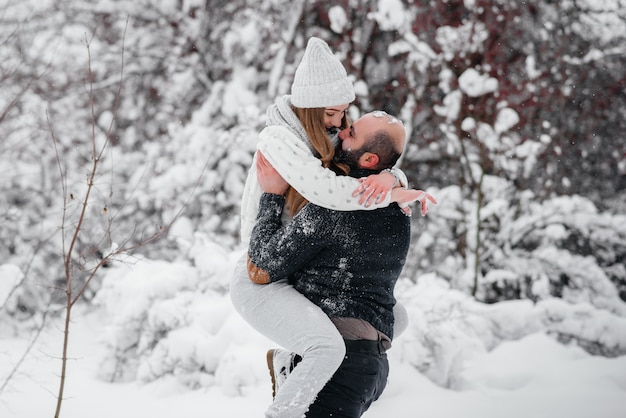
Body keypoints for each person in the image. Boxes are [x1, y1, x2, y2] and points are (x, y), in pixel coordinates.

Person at [230, 37, 433, 418]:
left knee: (395, 317)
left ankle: (294, 362)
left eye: (346, 119)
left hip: (294, 261)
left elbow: (365, 169)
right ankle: (284, 408)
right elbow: (329, 193)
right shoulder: (281, 139)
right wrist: (272, 197)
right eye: (335, 116)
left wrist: (392, 180)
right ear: (310, 108)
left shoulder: (325, 142)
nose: (340, 126)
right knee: (328, 347)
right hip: (261, 269)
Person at [249, 110, 419, 417]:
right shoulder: (398, 211)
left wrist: (272, 197)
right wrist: (392, 177)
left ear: (369, 160)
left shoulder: (334, 210)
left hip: (339, 369)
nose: (341, 133)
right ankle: (290, 364)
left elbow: (265, 262)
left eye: (351, 134)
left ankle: (290, 368)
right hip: (373, 367)